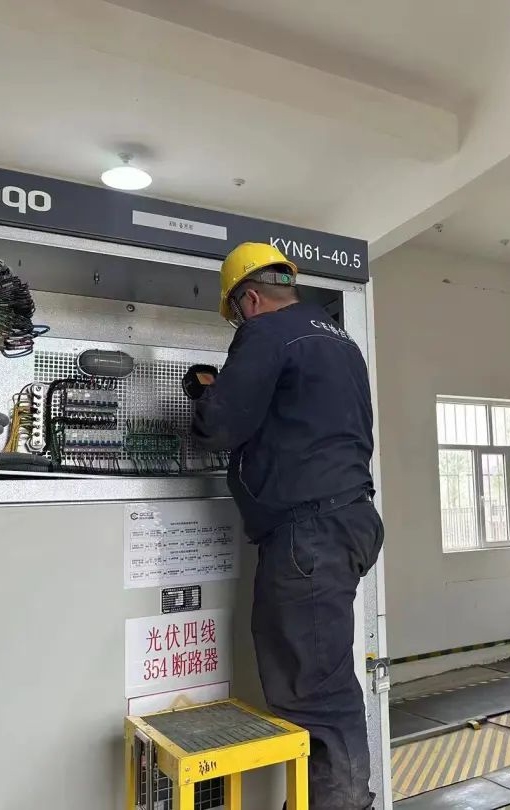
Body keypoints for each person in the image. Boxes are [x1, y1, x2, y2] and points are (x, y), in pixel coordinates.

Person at [186, 242, 383, 810]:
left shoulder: (267, 332)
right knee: (322, 678)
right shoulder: (340, 341)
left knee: (317, 694)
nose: (239, 322)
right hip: (348, 521)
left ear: (249, 299)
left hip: (309, 534)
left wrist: (203, 393)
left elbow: (221, 427)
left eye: (236, 314)